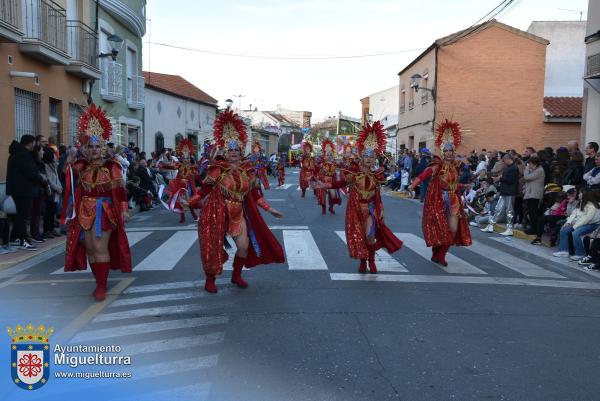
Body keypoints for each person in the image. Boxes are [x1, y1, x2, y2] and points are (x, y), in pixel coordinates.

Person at [183, 109, 285, 293]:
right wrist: (190, 202)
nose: (233, 153)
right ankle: (210, 279)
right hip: (217, 212)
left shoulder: (247, 170)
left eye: (236, 150)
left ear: (240, 150)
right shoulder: (217, 170)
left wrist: (270, 210)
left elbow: (254, 195)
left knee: (244, 247)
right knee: (212, 247)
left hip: (238, 213)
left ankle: (236, 275)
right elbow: (204, 190)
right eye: (229, 150)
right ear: (224, 151)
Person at [62, 104, 131, 302]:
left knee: (100, 248)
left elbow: (120, 191)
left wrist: (124, 209)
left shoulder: (112, 166)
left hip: (104, 211)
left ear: (103, 147)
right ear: (86, 148)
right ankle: (98, 281)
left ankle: (102, 285)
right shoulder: (81, 165)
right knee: (90, 248)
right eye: (90, 147)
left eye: (97, 146)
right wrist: (68, 160)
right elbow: (66, 176)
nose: (94, 150)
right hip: (84, 211)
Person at [316, 121, 402, 273]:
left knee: (370, 235)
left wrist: (380, 208)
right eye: (366, 156)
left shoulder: (376, 175)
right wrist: (324, 186)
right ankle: (363, 262)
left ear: (375, 158)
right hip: (356, 209)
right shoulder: (354, 173)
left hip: (369, 209)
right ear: (362, 156)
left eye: (372, 156)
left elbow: (377, 195)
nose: (369, 159)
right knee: (359, 236)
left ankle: (372, 261)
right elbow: (340, 182)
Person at [408, 119, 472, 266]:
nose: (449, 153)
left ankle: (441, 254)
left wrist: (464, 185)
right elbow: (426, 173)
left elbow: (453, 184)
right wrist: (414, 183)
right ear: (443, 152)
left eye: (451, 150)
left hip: (454, 200)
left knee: (453, 229)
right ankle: (437, 254)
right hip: (439, 200)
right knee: (440, 229)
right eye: (446, 150)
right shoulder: (438, 164)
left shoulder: (456, 166)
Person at [6, 135, 46, 250]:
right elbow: (31, 173)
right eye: (34, 143)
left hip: (19, 189)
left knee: (20, 215)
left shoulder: (18, 153)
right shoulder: (23, 155)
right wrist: (41, 178)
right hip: (22, 190)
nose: (35, 146)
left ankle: (15, 238)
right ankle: (24, 241)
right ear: (30, 143)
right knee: (23, 216)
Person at [553, 189, 600, 261]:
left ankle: (580, 253)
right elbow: (574, 213)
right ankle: (563, 251)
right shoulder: (581, 203)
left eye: (580, 193)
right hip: (579, 222)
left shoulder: (592, 206)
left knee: (575, 233)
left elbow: (586, 219)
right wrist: (568, 222)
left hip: (592, 224)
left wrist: (575, 226)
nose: (578, 195)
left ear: (585, 195)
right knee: (564, 229)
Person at [481, 153, 518, 236]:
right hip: (504, 192)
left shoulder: (514, 168)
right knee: (497, 209)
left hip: (510, 192)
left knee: (509, 211)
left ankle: (510, 229)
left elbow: (511, 180)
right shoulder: (508, 167)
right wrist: (498, 178)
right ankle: (491, 225)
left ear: (508, 158)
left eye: (504, 160)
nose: (503, 161)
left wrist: (500, 178)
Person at [314, 139, 342, 214]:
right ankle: (323, 208)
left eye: (329, 147)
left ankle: (331, 207)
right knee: (322, 196)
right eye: (326, 147)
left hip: (331, 180)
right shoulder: (321, 159)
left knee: (333, 195)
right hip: (323, 179)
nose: (328, 148)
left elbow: (340, 166)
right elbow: (316, 167)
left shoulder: (334, 160)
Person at [523, 155, 545, 235]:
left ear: (535, 164)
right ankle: (533, 228)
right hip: (531, 194)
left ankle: (534, 229)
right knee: (531, 212)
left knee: (533, 213)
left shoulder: (539, 171)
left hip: (535, 195)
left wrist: (526, 169)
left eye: (530, 164)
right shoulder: (536, 170)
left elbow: (527, 177)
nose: (530, 166)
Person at [43, 147, 62, 238]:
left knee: (53, 211)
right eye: (54, 155)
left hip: (56, 192)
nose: (56, 157)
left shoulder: (53, 165)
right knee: (48, 212)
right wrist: (57, 188)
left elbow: (56, 178)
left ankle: (51, 229)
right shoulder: (46, 166)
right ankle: (47, 230)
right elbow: (49, 180)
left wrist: (60, 187)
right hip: (51, 192)